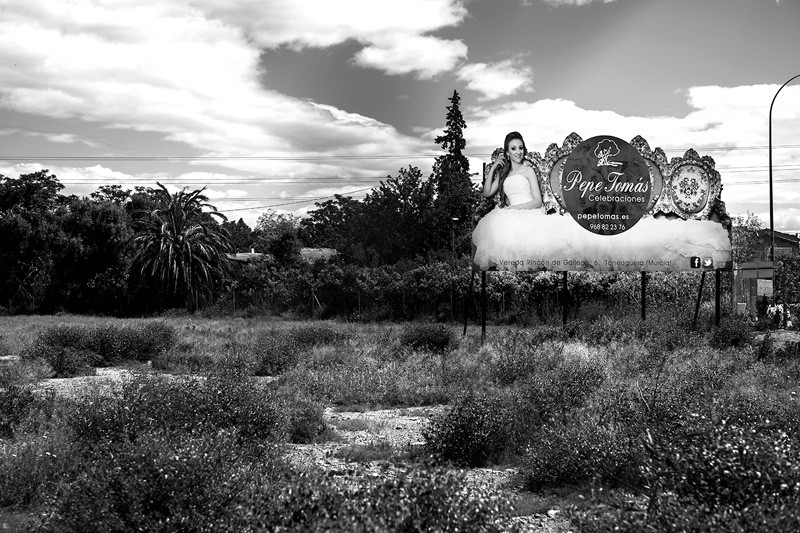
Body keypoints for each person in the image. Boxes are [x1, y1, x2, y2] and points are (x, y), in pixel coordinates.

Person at [482, 131, 543, 210]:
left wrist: (515, 208)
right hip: (511, 214)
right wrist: (493, 168)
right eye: (513, 148)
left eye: (521, 148)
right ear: (507, 152)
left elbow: (538, 202)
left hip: (528, 213)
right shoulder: (504, 173)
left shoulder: (528, 170)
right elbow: (487, 193)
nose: (518, 152)